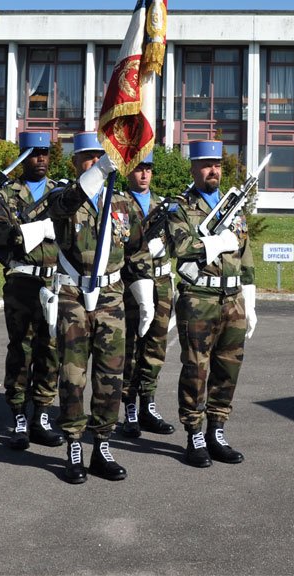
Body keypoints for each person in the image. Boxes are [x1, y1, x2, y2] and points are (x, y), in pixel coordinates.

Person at [46, 132, 154, 484]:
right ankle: (74, 444)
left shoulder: (123, 204)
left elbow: (137, 251)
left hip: (111, 297)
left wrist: (144, 294)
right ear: (76, 162)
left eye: (100, 158)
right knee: (73, 376)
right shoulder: (63, 197)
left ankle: (102, 444)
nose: (95, 163)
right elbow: (64, 205)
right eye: (88, 158)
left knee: (111, 376)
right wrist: (98, 173)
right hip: (73, 296)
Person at [167, 140, 257, 468]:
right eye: (206, 164)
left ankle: (217, 430)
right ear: (193, 168)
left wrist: (251, 295)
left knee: (228, 367)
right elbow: (181, 246)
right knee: (196, 368)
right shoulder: (180, 206)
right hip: (199, 297)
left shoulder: (234, 206)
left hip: (232, 298)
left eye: (217, 164)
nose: (213, 170)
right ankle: (194, 433)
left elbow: (244, 253)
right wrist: (215, 241)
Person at [0, 131, 64, 450]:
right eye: (34, 154)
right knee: (21, 349)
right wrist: (29, 235)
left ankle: (41, 414)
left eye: (45, 153)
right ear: (23, 157)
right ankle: (18, 414)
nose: (41, 159)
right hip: (22, 283)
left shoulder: (62, 194)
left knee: (51, 349)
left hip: (55, 282)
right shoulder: (7, 196)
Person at [121, 151, 175, 438]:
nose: (144, 174)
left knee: (155, 346)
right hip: (131, 286)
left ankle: (148, 403)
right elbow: (119, 248)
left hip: (162, 283)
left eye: (148, 169)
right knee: (131, 346)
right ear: (129, 171)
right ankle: (129, 404)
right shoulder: (119, 205)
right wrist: (143, 248)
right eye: (139, 168)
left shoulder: (161, 205)